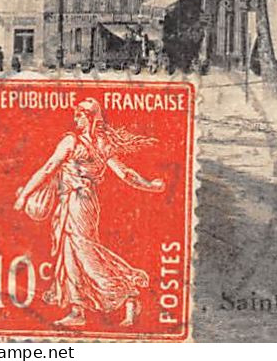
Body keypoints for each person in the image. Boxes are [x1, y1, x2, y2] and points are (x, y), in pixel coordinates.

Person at [12, 98, 165, 327]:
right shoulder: (102, 143)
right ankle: (78, 310)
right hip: (80, 203)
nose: (76, 119)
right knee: (71, 254)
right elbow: (126, 174)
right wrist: (149, 185)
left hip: (77, 203)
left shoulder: (71, 142)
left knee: (85, 254)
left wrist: (25, 195)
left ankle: (128, 292)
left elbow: (48, 168)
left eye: (80, 115)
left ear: (89, 117)